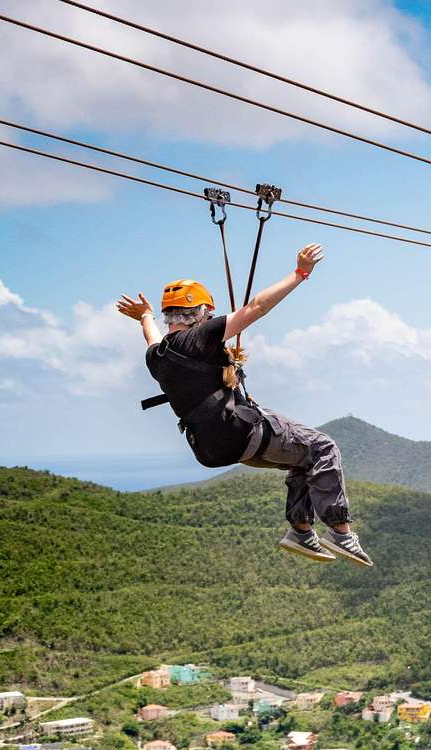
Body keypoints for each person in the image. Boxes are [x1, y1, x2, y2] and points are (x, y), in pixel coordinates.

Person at [116, 243, 373, 567]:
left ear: (171, 316)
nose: (210, 320)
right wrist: (300, 274)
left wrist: (145, 315)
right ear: (199, 315)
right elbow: (256, 307)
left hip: (212, 450)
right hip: (240, 432)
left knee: (303, 461)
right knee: (323, 448)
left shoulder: (158, 357)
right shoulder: (199, 337)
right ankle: (341, 532)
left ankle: (302, 531)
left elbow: (151, 336)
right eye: (208, 315)